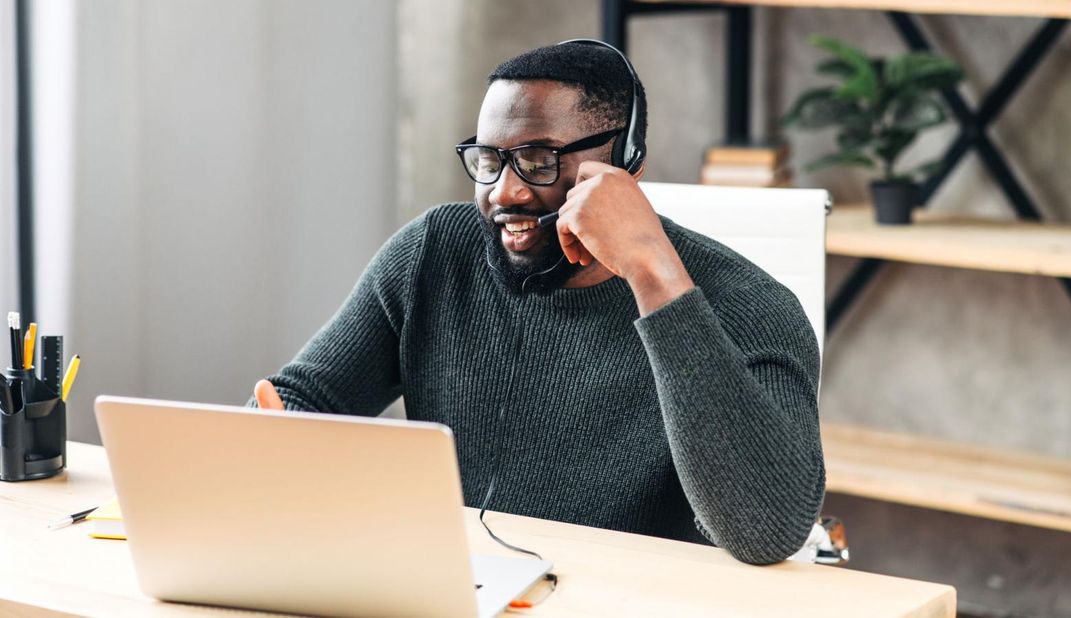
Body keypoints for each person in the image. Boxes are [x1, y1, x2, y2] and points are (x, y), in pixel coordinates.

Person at [251, 41, 824, 565]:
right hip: (465, 587)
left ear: (625, 163)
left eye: (539, 160)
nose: (506, 191)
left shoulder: (751, 307)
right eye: (489, 160)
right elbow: (301, 398)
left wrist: (651, 273)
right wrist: (271, 445)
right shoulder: (435, 254)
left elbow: (767, 532)